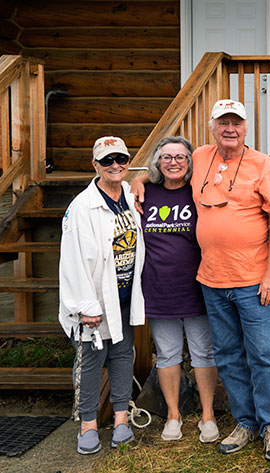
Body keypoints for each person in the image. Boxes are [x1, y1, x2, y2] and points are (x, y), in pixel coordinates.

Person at [133, 100, 270, 461]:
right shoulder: (200, 157)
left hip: (253, 281)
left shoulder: (263, 165)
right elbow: (161, 168)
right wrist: (139, 180)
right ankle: (245, 422)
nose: (229, 129)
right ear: (212, 127)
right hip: (212, 282)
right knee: (229, 355)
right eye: (223, 123)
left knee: (263, 355)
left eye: (236, 122)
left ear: (246, 127)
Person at [59, 136, 145, 454]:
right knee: (93, 361)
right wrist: (85, 306)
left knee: (123, 356)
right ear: (95, 165)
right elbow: (72, 261)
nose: (115, 166)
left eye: (120, 159)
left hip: (122, 297)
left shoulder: (130, 196)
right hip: (94, 302)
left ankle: (121, 419)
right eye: (107, 160)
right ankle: (88, 425)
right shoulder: (82, 207)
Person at [140, 136, 219, 443]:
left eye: (180, 157)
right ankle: (173, 416)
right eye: (167, 157)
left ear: (190, 163)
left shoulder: (198, 192)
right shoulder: (146, 193)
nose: (173, 162)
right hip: (158, 288)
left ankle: (207, 416)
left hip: (197, 286)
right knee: (167, 353)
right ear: (158, 163)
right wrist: (138, 179)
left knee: (203, 352)